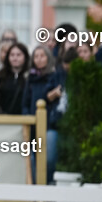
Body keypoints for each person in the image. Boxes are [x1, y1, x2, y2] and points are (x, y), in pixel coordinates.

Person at [23, 44, 63, 183]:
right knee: (32, 160)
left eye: (42, 56)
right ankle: (36, 192)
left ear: (48, 57)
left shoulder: (55, 77)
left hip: (50, 125)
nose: (39, 59)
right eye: (36, 56)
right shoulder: (30, 80)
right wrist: (28, 119)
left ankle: (48, 187)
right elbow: (25, 103)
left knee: (49, 159)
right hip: (33, 126)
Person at [0, 42, 29, 115]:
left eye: (18, 55)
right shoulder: (1, 77)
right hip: (3, 119)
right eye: (12, 55)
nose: (15, 58)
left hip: (24, 120)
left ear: (25, 57)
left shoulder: (29, 78)